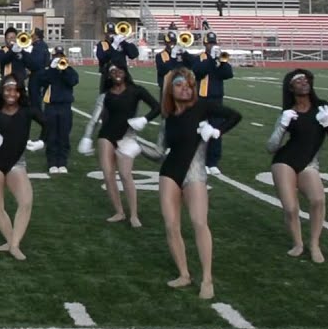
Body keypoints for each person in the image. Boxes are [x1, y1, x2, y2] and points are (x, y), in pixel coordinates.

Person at [145, 67, 241, 300]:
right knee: (171, 225)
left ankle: (207, 278)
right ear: (170, 89)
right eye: (179, 84)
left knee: (199, 222)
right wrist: (136, 148)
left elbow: (234, 116)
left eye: (188, 85)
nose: (185, 88)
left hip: (195, 173)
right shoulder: (168, 118)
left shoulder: (203, 107)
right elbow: (159, 152)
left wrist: (216, 131)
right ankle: (184, 274)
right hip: (169, 172)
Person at [265, 69, 328, 263]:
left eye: (306, 80)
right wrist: (282, 125)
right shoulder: (289, 112)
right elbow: (271, 147)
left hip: (308, 162)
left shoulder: (322, 106)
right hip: (285, 161)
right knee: (290, 208)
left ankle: (314, 244)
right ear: (290, 87)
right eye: (298, 81)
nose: (304, 82)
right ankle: (298, 243)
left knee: (318, 200)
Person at [79, 63, 160, 226]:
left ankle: (134, 215)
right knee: (108, 175)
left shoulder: (137, 91)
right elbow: (94, 120)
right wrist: (87, 137)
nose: (116, 73)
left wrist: (145, 119)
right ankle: (119, 212)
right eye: (112, 71)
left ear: (125, 72)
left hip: (127, 136)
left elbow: (157, 107)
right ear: (109, 76)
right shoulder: (105, 96)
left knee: (125, 174)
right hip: (106, 136)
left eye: (119, 70)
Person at [0, 75, 45, 261]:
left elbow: (47, 124)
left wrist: (41, 142)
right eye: (8, 89)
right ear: (2, 91)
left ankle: (14, 245)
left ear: (20, 93)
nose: (11, 93)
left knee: (26, 202)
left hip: (17, 163)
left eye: (15, 89)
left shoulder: (28, 111)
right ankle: (11, 243)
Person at [190, 31, 233, 175]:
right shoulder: (199, 58)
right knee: (199, 130)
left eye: (213, 43)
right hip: (201, 98)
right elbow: (198, 72)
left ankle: (213, 161)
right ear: (205, 44)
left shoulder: (220, 58)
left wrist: (222, 62)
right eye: (209, 43)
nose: (212, 45)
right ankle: (197, 158)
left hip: (216, 99)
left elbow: (228, 74)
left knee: (216, 130)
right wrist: (210, 60)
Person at [37, 46, 79, 174]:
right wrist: (52, 69)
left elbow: (73, 81)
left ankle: (62, 162)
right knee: (52, 136)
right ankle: (52, 163)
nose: (59, 58)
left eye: (61, 56)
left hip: (65, 107)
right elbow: (42, 81)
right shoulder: (48, 71)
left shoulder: (70, 70)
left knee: (63, 136)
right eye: (56, 56)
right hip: (51, 106)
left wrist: (64, 70)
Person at [95, 23, 139, 93]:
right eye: (109, 33)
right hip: (108, 76)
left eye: (113, 32)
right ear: (105, 34)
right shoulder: (102, 44)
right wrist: (114, 45)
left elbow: (133, 55)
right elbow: (102, 58)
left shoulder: (122, 44)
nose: (111, 35)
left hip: (122, 75)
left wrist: (128, 43)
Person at [25, 28, 50, 111]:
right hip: (42, 72)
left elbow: (36, 62)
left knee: (34, 94)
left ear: (36, 36)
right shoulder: (42, 45)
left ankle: (36, 111)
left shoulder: (38, 46)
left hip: (37, 74)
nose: (31, 38)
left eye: (32, 36)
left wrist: (28, 67)